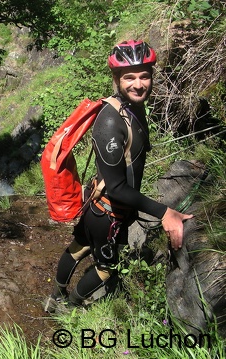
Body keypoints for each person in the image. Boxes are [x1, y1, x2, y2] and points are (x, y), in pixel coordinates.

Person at [44, 40, 194, 311]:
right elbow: (116, 186)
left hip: (99, 206)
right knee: (106, 267)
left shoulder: (132, 107)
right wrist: (164, 212)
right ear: (116, 79)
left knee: (79, 247)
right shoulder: (111, 121)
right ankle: (72, 305)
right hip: (108, 211)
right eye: (129, 77)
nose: (138, 84)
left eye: (144, 76)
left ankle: (56, 295)